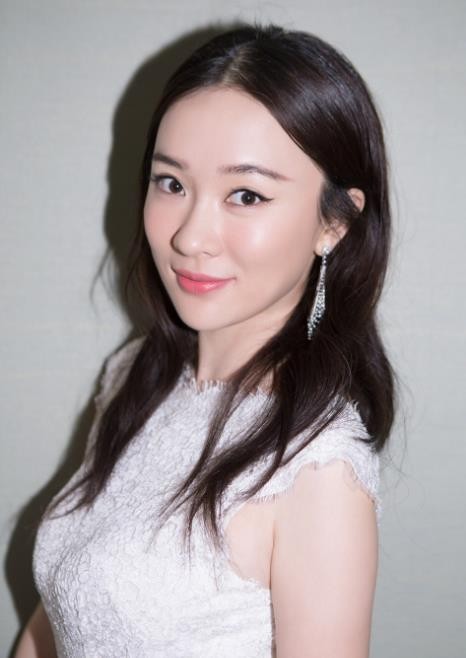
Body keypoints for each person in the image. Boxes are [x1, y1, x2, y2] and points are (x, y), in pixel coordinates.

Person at [15, 21, 396, 658]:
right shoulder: (134, 375)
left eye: (245, 195)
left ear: (334, 223)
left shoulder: (319, 472)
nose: (190, 236)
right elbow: (60, 610)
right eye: (172, 184)